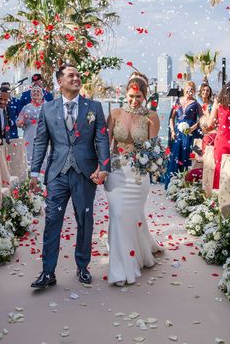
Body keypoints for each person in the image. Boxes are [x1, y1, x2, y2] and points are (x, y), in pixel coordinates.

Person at [29, 64, 110, 289]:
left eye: (77, 74)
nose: (76, 78)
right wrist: (35, 172)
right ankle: (48, 272)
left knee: (85, 220)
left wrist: (104, 167)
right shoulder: (48, 108)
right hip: (57, 174)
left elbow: (102, 138)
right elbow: (40, 141)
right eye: (70, 75)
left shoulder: (94, 107)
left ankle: (82, 267)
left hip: (85, 173)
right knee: (53, 221)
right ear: (60, 82)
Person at [105, 73, 162, 286]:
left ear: (145, 96)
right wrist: (101, 168)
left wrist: (150, 165)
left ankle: (130, 259)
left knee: (127, 217)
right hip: (116, 172)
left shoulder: (152, 117)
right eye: (131, 95)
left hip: (138, 175)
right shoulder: (115, 114)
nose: (134, 100)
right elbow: (105, 144)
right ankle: (121, 269)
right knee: (118, 215)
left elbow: (154, 149)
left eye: (138, 96)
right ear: (124, 94)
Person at [206, 81, 230, 189]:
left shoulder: (218, 105)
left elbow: (210, 124)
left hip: (222, 142)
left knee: (220, 169)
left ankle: (218, 198)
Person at [164, 81, 202, 187]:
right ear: (184, 89)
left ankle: (185, 182)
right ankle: (173, 182)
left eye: (192, 89)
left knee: (186, 155)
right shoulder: (178, 102)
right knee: (176, 155)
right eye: (188, 89)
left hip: (189, 133)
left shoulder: (196, 104)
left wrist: (193, 128)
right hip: (177, 132)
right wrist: (172, 130)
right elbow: (172, 117)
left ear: (194, 91)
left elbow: (202, 118)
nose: (189, 91)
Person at [17, 85, 45, 166]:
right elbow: (19, 124)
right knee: (29, 155)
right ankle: (30, 175)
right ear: (31, 95)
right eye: (33, 91)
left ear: (42, 94)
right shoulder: (26, 107)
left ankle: (43, 175)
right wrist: (24, 118)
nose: (36, 92)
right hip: (29, 135)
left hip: (43, 135)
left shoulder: (47, 106)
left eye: (38, 91)